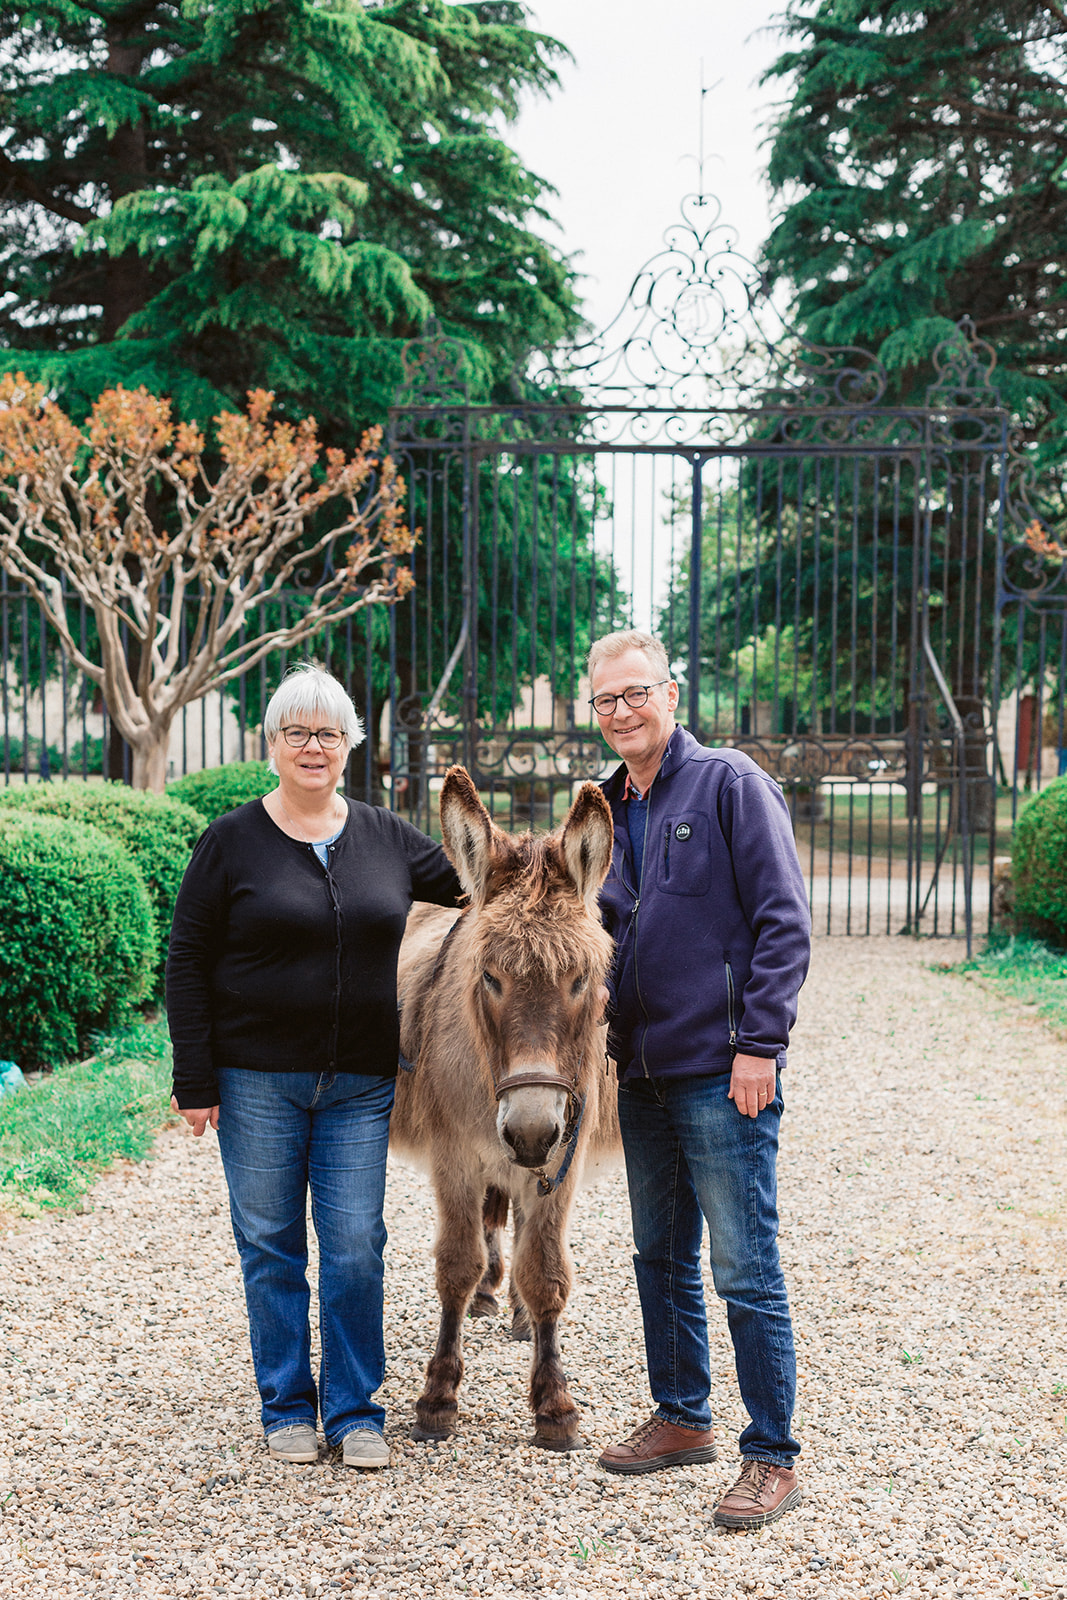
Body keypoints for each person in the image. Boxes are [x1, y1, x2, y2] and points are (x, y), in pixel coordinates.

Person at [166, 665, 461, 1469]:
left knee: (356, 1244)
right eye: (296, 731)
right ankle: (287, 1405)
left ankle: (356, 1412)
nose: (312, 746)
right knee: (270, 1245)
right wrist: (194, 1079)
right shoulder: (230, 841)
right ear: (272, 745)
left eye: (328, 733)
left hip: (361, 1085)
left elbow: (482, 882)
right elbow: (187, 958)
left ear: (348, 746)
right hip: (255, 1080)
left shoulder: (386, 837)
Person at [588, 629, 810, 1530]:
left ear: (670, 694)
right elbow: (597, 939)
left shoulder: (729, 782)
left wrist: (759, 1044)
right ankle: (682, 1417)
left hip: (722, 1073)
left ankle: (771, 1455)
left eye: (635, 693)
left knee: (744, 1268)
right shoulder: (603, 808)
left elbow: (783, 922)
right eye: (605, 701)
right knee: (658, 1257)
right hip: (637, 1074)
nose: (621, 712)